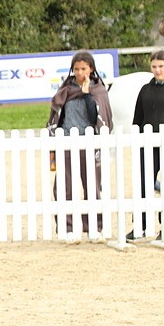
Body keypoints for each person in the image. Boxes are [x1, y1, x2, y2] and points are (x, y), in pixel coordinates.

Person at [46, 51, 113, 239]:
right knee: (63, 186)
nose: (80, 72)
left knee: (92, 186)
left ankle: (94, 227)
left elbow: (98, 117)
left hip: (90, 143)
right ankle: (66, 228)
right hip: (67, 142)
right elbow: (57, 114)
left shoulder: (98, 90)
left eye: (83, 68)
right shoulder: (66, 89)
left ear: (91, 69)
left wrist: (86, 95)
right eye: (76, 69)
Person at [128, 49, 164, 241]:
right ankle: (141, 225)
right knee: (143, 185)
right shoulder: (145, 89)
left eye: (161, 66)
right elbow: (138, 118)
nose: (157, 70)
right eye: (154, 66)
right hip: (147, 145)